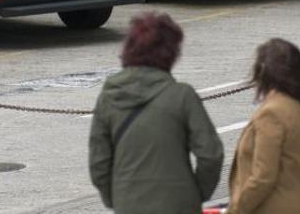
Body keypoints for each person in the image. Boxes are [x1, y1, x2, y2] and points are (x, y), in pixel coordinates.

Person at [89, 13, 224, 214]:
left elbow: (98, 162)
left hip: (128, 203)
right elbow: (210, 154)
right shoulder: (181, 96)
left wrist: (115, 198)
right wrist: (197, 193)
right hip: (179, 203)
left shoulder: (108, 98)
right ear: (170, 53)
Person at [228, 39, 300, 214]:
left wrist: (235, 210)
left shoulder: (271, 113)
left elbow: (263, 176)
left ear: (263, 72)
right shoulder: (298, 110)